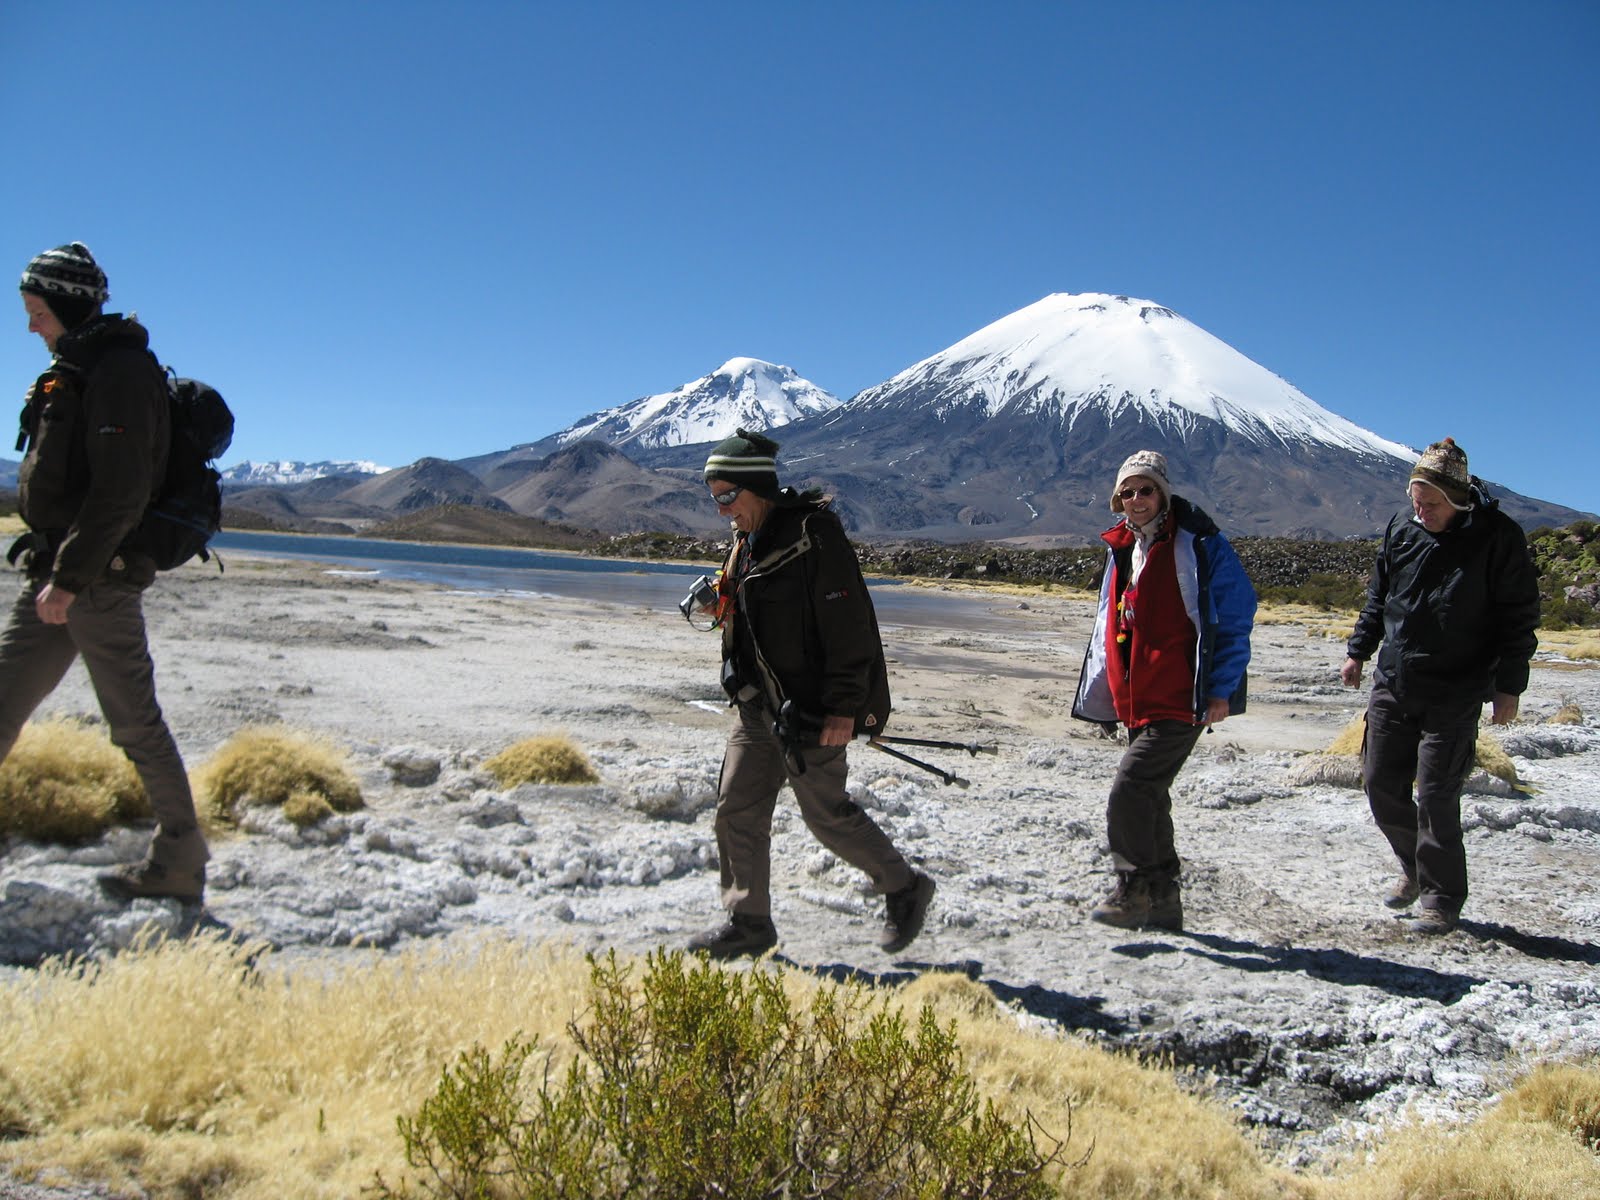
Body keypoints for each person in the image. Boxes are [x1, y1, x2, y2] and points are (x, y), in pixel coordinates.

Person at [4, 242, 209, 902]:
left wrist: (69, 580)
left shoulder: (120, 370)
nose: (31, 324)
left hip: (94, 580)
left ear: (64, 304)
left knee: (135, 725)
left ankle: (179, 863)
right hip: (61, 572)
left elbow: (120, 490)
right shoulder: (77, 366)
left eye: (37, 310)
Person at [686, 428, 935, 959]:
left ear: (758, 487)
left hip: (810, 710)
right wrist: (720, 606)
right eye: (715, 498)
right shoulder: (746, 541)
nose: (722, 510)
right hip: (757, 706)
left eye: (728, 496)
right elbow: (758, 615)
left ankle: (904, 886)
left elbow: (851, 628)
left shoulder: (813, 535)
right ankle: (748, 920)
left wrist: (844, 707)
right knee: (736, 809)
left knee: (826, 816)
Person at [1341, 438, 1539, 934]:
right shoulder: (1401, 529)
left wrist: (1508, 687)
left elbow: (1519, 616)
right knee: (1380, 782)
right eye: (1415, 500)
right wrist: (1357, 651)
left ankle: (1442, 898)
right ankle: (1414, 867)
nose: (1419, 510)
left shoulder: (1497, 537)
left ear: (1456, 500)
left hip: (1457, 686)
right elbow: (1378, 595)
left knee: (1435, 795)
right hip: (1395, 678)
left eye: (1430, 503)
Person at [1072, 450, 1256, 931]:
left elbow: (1235, 616)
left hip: (1183, 695)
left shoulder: (1200, 545)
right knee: (1150, 796)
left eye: (1146, 489)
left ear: (1164, 493)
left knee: (1130, 791)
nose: (1137, 499)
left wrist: (1221, 689)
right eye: (1127, 492)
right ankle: (1164, 902)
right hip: (1140, 697)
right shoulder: (1124, 548)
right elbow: (1111, 626)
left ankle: (1132, 891)